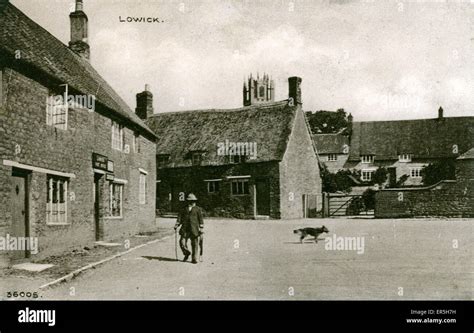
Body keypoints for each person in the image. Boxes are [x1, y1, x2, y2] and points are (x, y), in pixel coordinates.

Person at [174, 193, 204, 264]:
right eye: (190, 201)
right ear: (187, 201)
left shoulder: (198, 209)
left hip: (194, 229)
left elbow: (201, 219)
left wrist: (201, 228)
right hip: (185, 229)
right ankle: (187, 253)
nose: (192, 202)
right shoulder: (183, 209)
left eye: (193, 200)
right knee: (182, 242)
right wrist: (177, 224)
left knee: (195, 244)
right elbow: (179, 217)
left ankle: (194, 258)